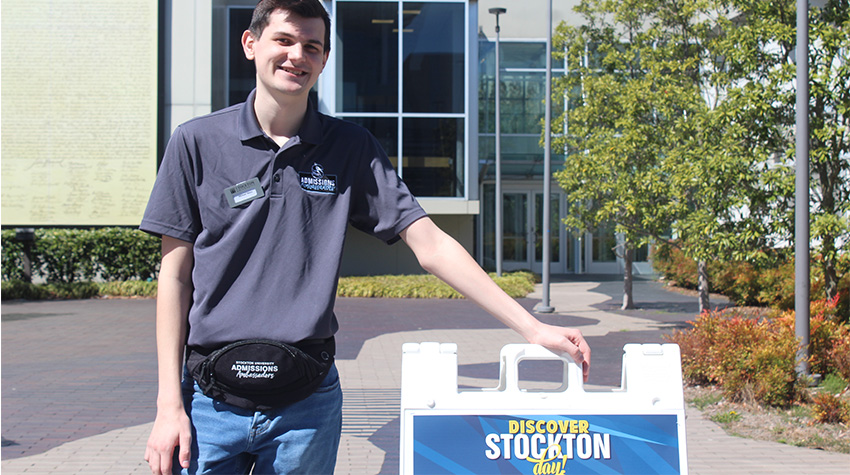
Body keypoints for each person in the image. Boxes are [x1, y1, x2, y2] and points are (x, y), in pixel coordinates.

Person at [141, 1, 591, 473]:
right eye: (285, 40)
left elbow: (432, 245)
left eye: (312, 46)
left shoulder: (350, 149)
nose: (298, 55)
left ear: (324, 60)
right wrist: (168, 406)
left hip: (305, 409)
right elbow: (174, 277)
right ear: (251, 44)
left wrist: (532, 327)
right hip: (209, 405)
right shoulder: (195, 142)